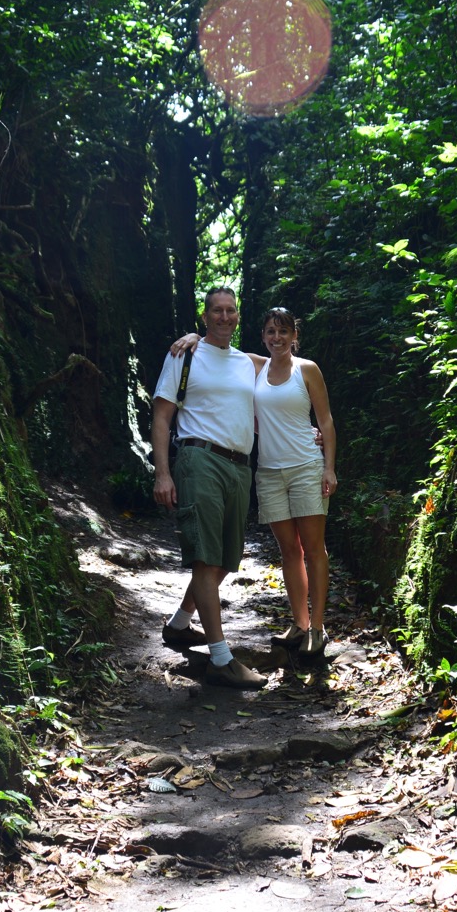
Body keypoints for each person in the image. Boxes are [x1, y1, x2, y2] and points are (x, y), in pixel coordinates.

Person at [167, 306, 337, 663]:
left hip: (306, 466)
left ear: (295, 336)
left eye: (284, 332)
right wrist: (194, 337)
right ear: (263, 337)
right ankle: (300, 625)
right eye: (271, 332)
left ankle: (318, 630)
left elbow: (326, 421)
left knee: (313, 548)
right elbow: (217, 348)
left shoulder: (306, 369)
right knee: (289, 552)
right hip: (269, 471)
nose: (278, 338)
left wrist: (329, 468)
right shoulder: (252, 366)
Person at [150, 287, 269, 689]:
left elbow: (287, 371)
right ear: (204, 316)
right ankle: (221, 658)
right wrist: (163, 473)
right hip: (198, 458)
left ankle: (180, 624)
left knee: (222, 560)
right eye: (216, 310)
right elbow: (163, 418)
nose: (224, 316)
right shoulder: (184, 356)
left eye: (230, 310)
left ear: (238, 316)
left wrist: (315, 432)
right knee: (205, 557)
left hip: (240, 467)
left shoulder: (247, 363)